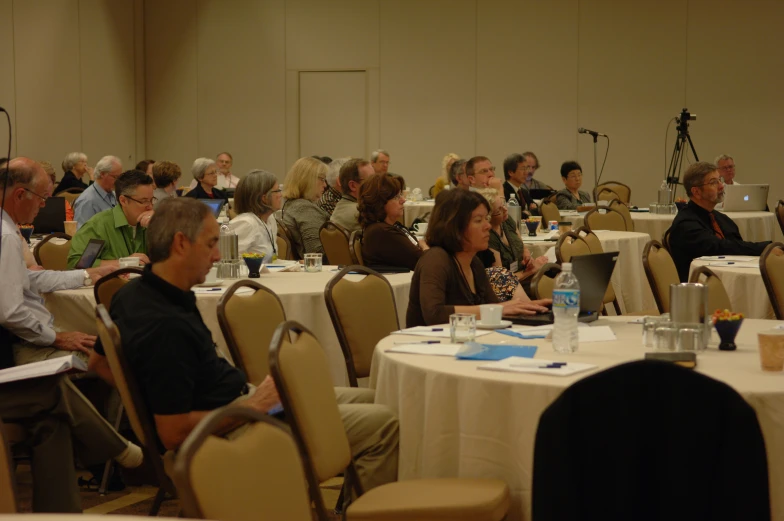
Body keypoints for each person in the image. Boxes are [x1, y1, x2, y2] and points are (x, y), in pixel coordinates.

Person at [87, 198, 399, 491]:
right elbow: (174, 432)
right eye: (211, 244)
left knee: (373, 398)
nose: (218, 256)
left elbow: (99, 364)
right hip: (240, 428)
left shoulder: (133, 294)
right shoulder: (166, 325)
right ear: (181, 243)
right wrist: (254, 405)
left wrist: (144, 399)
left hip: (241, 403)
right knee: (385, 425)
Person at [0, 157, 124, 365]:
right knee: (110, 358)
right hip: (19, 345)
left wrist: (85, 276)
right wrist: (56, 338)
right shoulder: (7, 236)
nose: (44, 204)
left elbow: (25, 279)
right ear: (20, 195)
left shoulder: (7, 229)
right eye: (42, 197)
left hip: (22, 337)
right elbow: (10, 313)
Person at [406, 189, 550, 326]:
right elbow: (434, 314)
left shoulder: (474, 262)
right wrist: (499, 309)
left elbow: (493, 306)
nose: (487, 226)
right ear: (455, 227)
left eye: (486, 218)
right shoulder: (435, 259)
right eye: (478, 220)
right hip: (429, 346)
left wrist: (529, 306)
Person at [668, 162, 771, 282]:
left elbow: (737, 248)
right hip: (701, 290)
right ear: (696, 192)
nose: (721, 186)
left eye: (719, 180)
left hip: (729, 279)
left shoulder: (722, 219)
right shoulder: (686, 224)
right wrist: (765, 248)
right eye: (713, 182)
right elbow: (720, 248)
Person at [67, 170, 154, 268]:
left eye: (152, 200)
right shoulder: (99, 226)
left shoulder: (152, 223)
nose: (150, 206)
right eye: (144, 201)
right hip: (112, 282)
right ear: (123, 201)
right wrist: (124, 263)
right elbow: (78, 264)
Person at [359, 173, 424, 270]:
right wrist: (424, 245)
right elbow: (424, 260)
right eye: (396, 197)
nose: (403, 200)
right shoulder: (382, 232)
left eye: (401, 194)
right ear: (379, 202)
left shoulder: (391, 226)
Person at [481, 188, 547, 283]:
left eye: (503, 204)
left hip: (523, 274)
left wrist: (527, 256)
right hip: (512, 285)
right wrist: (531, 271)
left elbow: (522, 246)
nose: (505, 210)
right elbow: (500, 282)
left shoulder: (506, 221)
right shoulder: (488, 237)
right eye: (499, 210)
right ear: (488, 217)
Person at [280, 156, 329, 257]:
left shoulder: (291, 204)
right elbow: (317, 253)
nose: (325, 185)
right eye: (322, 179)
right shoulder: (305, 209)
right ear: (308, 180)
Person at [228, 169, 282, 260]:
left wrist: (295, 265)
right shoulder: (246, 223)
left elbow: (271, 261)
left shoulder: (270, 219)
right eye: (277, 191)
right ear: (264, 198)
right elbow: (230, 262)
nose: (281, 195)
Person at [73, 155, 121, 228]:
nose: (118, 181)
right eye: (115, 177)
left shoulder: (114, 195)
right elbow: (81, 234)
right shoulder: (87, 200)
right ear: (102, 174)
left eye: (119, 177)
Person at [330, 158, 374, 233]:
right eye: (371, 181)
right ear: (353, 186)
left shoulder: (340, 207)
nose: (377, 185)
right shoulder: (360, 213)